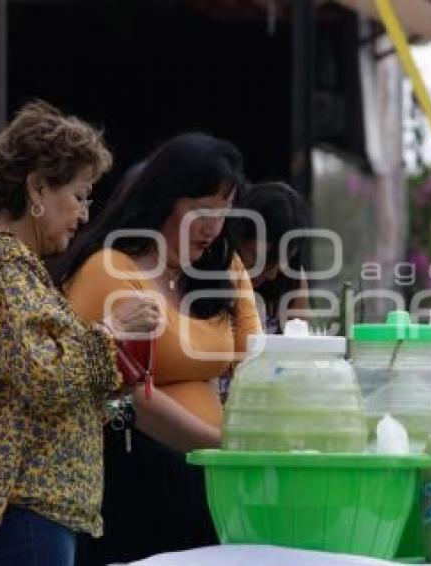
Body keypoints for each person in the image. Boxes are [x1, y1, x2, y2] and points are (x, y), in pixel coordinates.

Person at [0, 100, 160, 565]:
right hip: (24, 513)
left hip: (12, 511)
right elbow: (45, 377)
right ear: (37, 188)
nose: (85, 214)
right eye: (79, 195)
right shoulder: (5, 268)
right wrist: (111, 333)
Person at [56, 132, 262, 565]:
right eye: (201, 210)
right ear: (166, 198)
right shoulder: (108, 269)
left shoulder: (223, 268)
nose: (213, 227)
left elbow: (257, 362)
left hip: (214, 484)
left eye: (223, 213)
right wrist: (224, 447)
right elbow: (121, 392)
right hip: (134, 479)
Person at [234, 181, 310, 334]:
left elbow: (299, 351)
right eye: (259, 258)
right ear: (238, 235)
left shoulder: (292, 281)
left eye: (281, 263)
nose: (271, 274)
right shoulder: (214, 274)